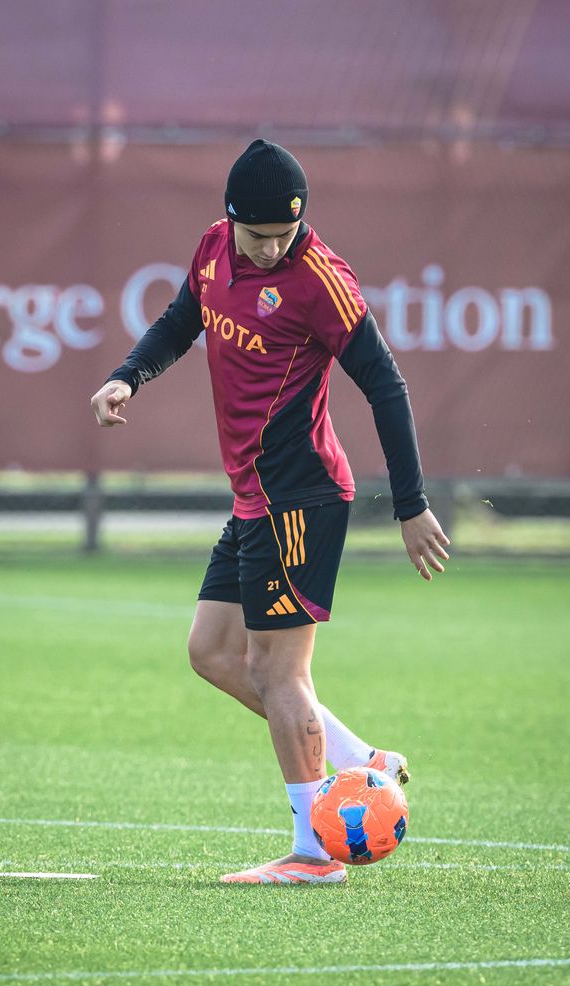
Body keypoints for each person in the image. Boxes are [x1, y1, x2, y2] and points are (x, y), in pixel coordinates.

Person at [91, 139, 450, 885]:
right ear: (230, 221)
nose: (272, 247)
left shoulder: (323, 280)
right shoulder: (215, 250)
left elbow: (387, 387)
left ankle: (315, 855)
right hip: (255, 496)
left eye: (285, 234)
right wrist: (130, 377)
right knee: (212, 652)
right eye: (259, 236)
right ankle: (360, 761)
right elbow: (180, 322)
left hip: (303, 496)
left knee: (277, 671)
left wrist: (411, 505)